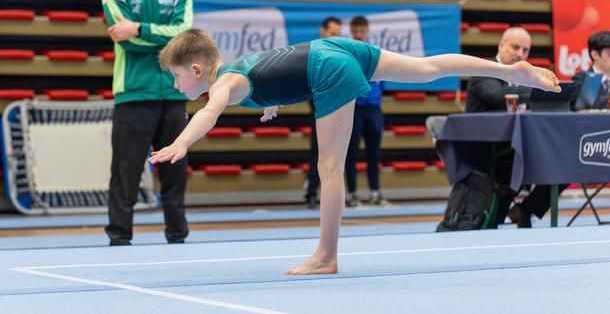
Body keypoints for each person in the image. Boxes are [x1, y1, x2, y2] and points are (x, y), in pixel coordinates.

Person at [150, 28, 560, 274]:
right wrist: (272, 101)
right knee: (427, 67)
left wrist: (182, 141)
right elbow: (271, 71)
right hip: (335, 47)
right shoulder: (236, 69)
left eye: (176, 76)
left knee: (329, 167)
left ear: (198, 70)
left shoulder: (223, 86)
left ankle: (326, 255)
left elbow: (209, 113)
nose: (175, 84)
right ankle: (509, 71)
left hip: (327, 68)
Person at [101, 0, 193, 245]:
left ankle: (178, 236)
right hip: (134, 94)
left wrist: (139, 27)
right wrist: (156, 36)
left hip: (173, 91)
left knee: (175, 171)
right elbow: (123, 40)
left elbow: (184, 39)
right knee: (125, 172)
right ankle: (119, 239)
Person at [509, 30, 610, 226]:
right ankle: (526, 209)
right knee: (566, 165)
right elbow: (588, 102)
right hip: (587, 144)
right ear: (595, 55)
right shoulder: (584, 77)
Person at [465, 27, 532, 225]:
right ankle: (494, 219)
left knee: (553, 160)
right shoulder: (483, 69)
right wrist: (536, 92)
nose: (520, 54)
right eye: (515, 47)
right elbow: (497, 97)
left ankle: (526, 209)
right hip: (484, 148)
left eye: (526, 50)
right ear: (501, 45)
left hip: (513, 144)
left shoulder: (525, 75)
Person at [344, 16, 385, 207]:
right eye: (356, 31)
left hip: (374, 110)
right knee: (351, 153)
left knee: (374, 153)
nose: (360, 34)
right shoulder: (348, 54)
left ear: (367, 31)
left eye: (362, 31)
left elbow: (382, 80)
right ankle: (352, 194)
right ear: (352, 32)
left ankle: (375, 192)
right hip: (355, 110)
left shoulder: (375, 53)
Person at [305, 16, 342, 209]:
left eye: (338, 34)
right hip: (320, 112)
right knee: (318, 155)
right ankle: (311, 193)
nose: (335, 37)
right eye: (332, 33)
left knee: (338, 159)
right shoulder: (313, 53)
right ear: (323, 31)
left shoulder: (339, 56)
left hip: (338, 114)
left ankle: (336, 199)